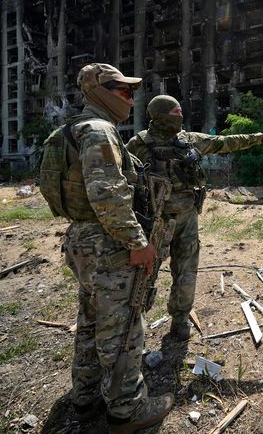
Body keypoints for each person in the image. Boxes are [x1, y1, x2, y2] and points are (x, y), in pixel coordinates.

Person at [40, 63, 173, 434]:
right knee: (124, 327)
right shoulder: (99, 131)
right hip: (108, 241)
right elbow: (107, 194)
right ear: (99, 91)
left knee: (92, 319)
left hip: (83, 238)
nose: (131, 98)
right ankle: (126, 410)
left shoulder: (68, 130)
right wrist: (138, 242)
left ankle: (85, 397)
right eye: (123, 90)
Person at [126, 94, 263, 342]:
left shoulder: (142, 143)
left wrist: (258, 138)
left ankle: (145, 325)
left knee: (159, 273)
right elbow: (226, 143)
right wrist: (258, 138)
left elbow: (225, 142)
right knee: (167, 273)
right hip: (163, 221)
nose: (180, 116)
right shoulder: (180, 141)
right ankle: (169, 324)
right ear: (163, 115)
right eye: (176, 112)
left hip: (169, 220)